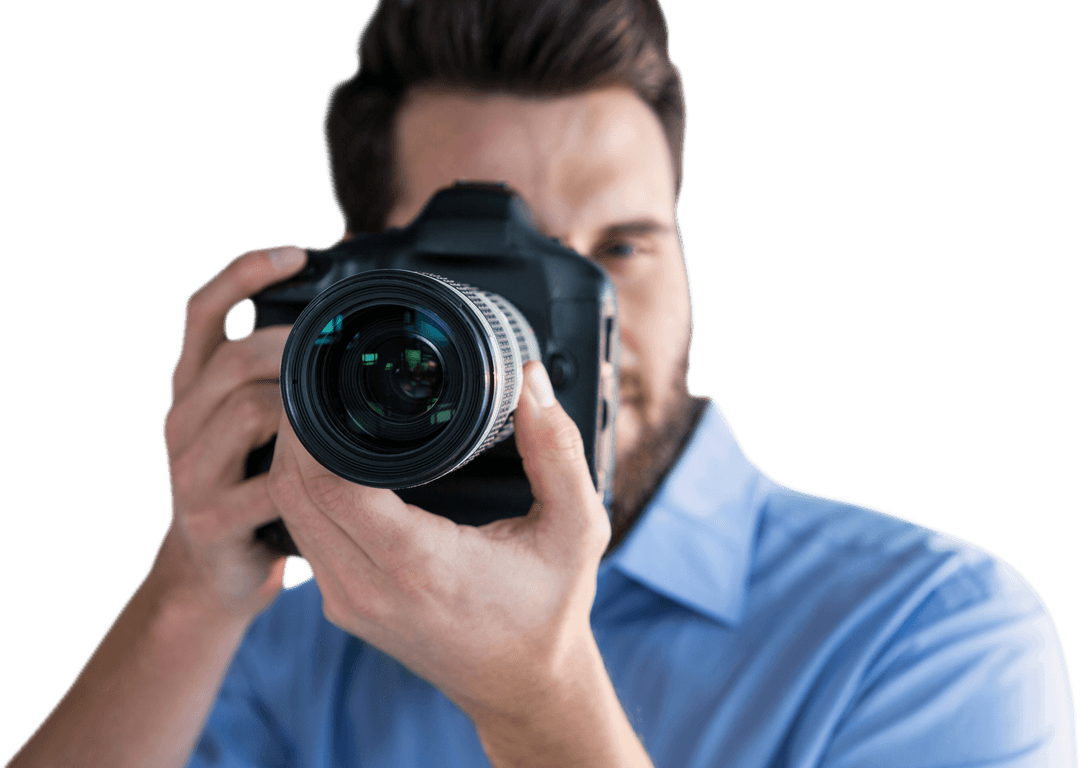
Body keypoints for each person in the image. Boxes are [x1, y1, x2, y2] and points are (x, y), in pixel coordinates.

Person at [8, 1, 1076, 766]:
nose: (576, 325)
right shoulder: (294, 639)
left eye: (620, 248)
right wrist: (193, 593)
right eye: (488, 269)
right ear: (355, 292)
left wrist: (539, 703)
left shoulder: (932, 630)